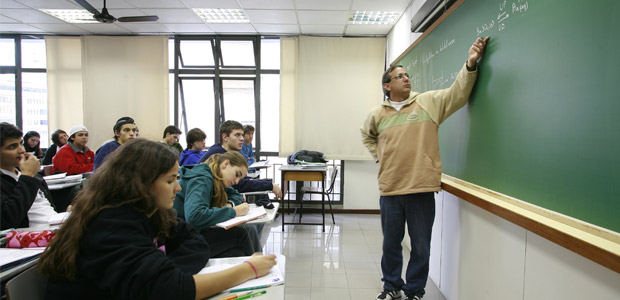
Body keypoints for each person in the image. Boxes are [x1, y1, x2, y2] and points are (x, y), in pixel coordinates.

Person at [38, 139, 277, 300]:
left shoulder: (151, 213)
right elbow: (173, 290)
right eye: (170, 180)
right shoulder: (111, 223)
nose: (179, 187)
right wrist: (247, 270)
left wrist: (164, 275)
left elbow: (195, 243)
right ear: (141, 183)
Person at [361, 36, 490, 300]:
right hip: (390, 188)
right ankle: (391, 287)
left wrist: (470, 63)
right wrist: (380, 156)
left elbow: (457, 94)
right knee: (391, 244)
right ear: (387, 86)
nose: (407, 78)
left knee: (421, 246)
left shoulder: (428, 102)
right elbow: (367, 135)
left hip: (421, 187)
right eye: (399, 76)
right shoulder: (377, 114)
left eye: (407, 74)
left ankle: (415, 291)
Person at [174, 151, 256, 257]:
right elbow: (194, 216)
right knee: (240, 235)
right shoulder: (202, 179)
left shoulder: (216, 180)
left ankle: (253, 268)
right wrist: (234, 211)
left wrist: (230, 204)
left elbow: (235, 195)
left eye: (239, 179)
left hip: (190, 234)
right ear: (226, 164)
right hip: (178, 240)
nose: (236, 181)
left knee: (236, 253)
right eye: (237, 174)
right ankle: (257, 268)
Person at [1, 123, 62, 230]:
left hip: (56, 227)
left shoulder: (33, 176)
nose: (22, 150)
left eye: (21, 143)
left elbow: (47, 208)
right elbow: (6, 220)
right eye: (12, 147)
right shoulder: (27, 175)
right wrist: (28, 176)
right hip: (31, 238)